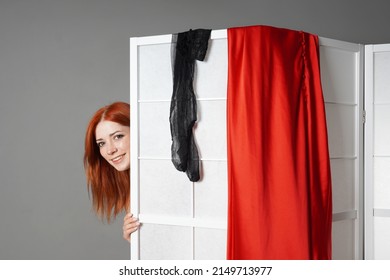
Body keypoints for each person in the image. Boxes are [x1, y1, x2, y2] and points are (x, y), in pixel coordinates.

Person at [84, 101, 139, 242]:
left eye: (118, 136)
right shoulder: (132, 183)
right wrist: (135, 241)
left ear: (138, 130)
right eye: (101, 143)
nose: (110, 150)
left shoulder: (160, 178)